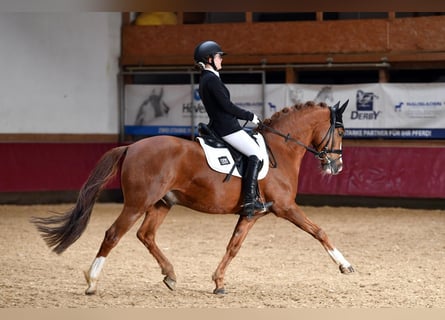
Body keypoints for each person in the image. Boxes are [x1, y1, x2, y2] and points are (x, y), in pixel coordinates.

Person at [194, 40, 273, 218]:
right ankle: (249, 201)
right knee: (256, 154)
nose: (221, 60)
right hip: (227, 128)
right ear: (209, 59)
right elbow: (227, 106)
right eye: (218, 57)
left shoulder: (207, 78)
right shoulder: (211, 80)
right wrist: (250, 116)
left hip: (222, 126)